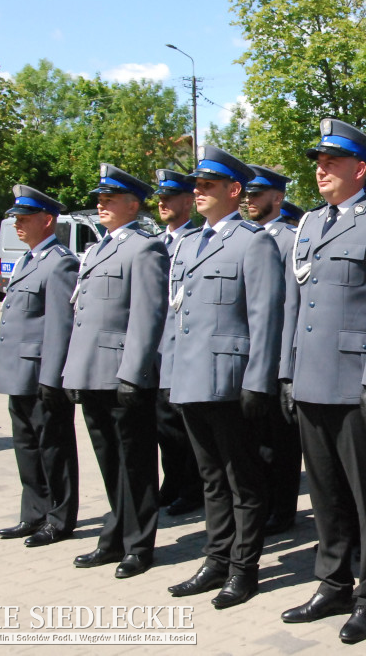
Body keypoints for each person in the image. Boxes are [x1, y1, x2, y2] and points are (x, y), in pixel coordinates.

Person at [279, 119, 366, 644]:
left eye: (331, 162)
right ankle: (332, 582)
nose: (320, 169)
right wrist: (287, 372)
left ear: (359, 169)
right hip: (313, 381)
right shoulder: (309, 225)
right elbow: (297, 302)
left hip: (359, 383)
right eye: (318, 162)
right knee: (326, 494)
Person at [164, 146, 285, 609]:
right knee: (211, 476)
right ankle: (215, 558)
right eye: (197, 185)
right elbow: (182, 318)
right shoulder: (192, 242)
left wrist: (258, 381)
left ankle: (243, 568)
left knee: (242, 479)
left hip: (230, 380)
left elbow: (264, 318)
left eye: (207, 185)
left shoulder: (253, 242)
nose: (198, 192)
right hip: (192, 377)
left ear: (233, 191)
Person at [62, 163, 168, 579]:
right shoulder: (98, 248)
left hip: (121, 374)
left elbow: (147, 315)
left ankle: (139, 545)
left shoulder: (144, 248)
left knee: (136, 463)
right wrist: (73, 373)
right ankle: (115, 535)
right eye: (99, 199)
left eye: (109, 199)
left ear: (132, 203)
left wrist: (134, 373)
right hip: (91, 373)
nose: (101, 204)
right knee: (110, 462)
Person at [0, 185, 79, 548]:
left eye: (24, 219)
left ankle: (59, 517)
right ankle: (34, 512)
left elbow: (60, 325)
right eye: (16, 219)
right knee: (26, 445)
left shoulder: (59, 262)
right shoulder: (28, 259)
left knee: (53, 447)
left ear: (47, 220)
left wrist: (53, 376)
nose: (17, 225)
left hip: (41, 371)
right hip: (18, 371)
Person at [246, 164, 302, 537]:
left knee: (279, 443)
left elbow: (289, 306)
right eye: (247, 194)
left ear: (277, 198)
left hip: (278, 355)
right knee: (256, 443)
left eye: (258, 194)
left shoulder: (289, 240)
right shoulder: (248, 238)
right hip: (251, 355)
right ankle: (263, 504)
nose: (250, 201)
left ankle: (281, 510)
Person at [153, 169, 202, 517]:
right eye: (160, 198)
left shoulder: (198, 240)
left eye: (170, 197)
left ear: (188, 202)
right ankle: (172, 483)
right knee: (164, 426)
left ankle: (191, 487)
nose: (162, 203)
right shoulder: (155, 243)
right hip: (158, 349)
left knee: (186, 426)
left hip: (184, 347)